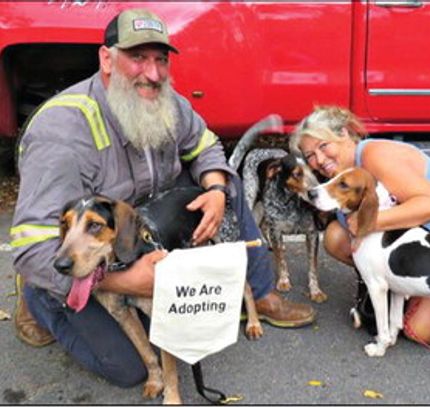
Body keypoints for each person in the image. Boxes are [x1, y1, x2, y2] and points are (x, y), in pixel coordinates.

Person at [10, 8, 315, 388]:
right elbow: (30, 245)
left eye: (160, 60)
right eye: (137, 58)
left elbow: (206, 146)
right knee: (130, 369)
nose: (152, 74)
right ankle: (40, 303)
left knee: (227, 188)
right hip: (89, 249)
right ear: (106, 58)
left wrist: (217, 191)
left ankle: (262, 295)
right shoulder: (63, 133)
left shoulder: (169, 102)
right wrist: (124, 282)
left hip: (141, 227)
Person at [289, 105, 430, 345]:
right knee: (335, 237)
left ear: (343, 133)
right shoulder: (339, 173)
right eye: (310, 155)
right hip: (417, 246)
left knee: (419, 331)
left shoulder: (375, 156)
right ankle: (388, 284)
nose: (319, 160)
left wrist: (366, 224)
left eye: (323, 146)